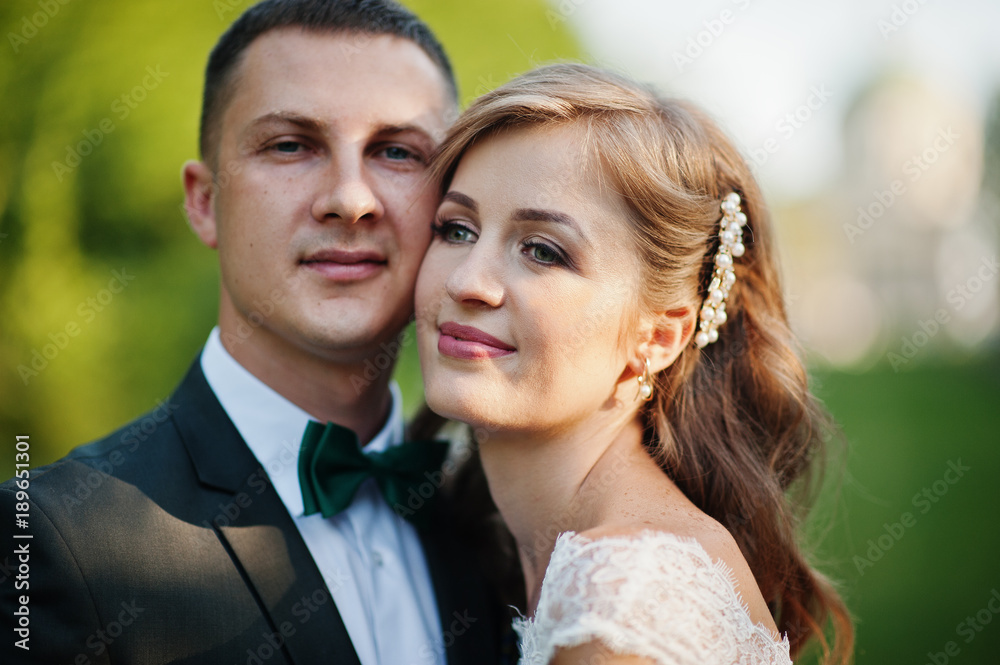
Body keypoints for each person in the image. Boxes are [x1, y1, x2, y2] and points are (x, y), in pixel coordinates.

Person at [0, 1, 512, 664]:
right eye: (291, 145)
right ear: (204, 202)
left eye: (396, 151)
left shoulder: (498, 520)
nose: (350, 199)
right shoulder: (50, 539)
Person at [415, 63, 854, 664]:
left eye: (542, 250)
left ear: (660, 335)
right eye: (457, 229)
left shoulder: (621, 602)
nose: (468, 282)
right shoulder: (526, 553)